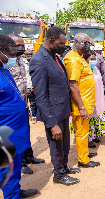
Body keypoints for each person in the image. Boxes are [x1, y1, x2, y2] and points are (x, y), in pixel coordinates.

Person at [30, 27, 80, 186]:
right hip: (53, 113)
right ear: (51, 41)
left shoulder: (54, 56)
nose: (64, 46)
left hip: (63, 110)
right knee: (56, 145)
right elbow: (40, 95)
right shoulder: (38, 60)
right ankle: (58, 174)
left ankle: (64, 167)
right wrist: (51, 124)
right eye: (61, 43)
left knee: (65, 143)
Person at [0, 34, 37, 199]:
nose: (14, 57)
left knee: (14, 170)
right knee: (7, 170)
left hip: (17, 131)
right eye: (11, 53)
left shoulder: (3, 70)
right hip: (5, 133)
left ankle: (16, 191)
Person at [8, 34, 45, 176]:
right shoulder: (6, 63)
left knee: (25, 131)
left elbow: (26, 77)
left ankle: (29, 156)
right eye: (18, 45)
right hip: (11, 105)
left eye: (22, 45)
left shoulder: (21, 60)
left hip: (23, 102)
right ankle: (21, 163)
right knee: (15, 135)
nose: (21, 48)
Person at [63, 33, 100, 168]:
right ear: (75, 42)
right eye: (84, 42)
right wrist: (82, 107)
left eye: (88, 43)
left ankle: (84, 152)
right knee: (81, 132)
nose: (87, 45)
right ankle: (83, 160)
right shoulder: (73, 60)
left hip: (85, 102)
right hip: (80, 105)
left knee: (84, 131)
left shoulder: (79, 57)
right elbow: (73, 86)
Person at [80, 50, 105, 148]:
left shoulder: (95, 69)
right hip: (88, 98)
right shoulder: (83, 70)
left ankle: (94, 136)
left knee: (96, 115)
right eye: (91, 59)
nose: (93, 61)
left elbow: (101, 78)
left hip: (98, 97)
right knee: (89, 117)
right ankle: (88, 139)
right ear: (85, 59)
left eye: (94, 59)